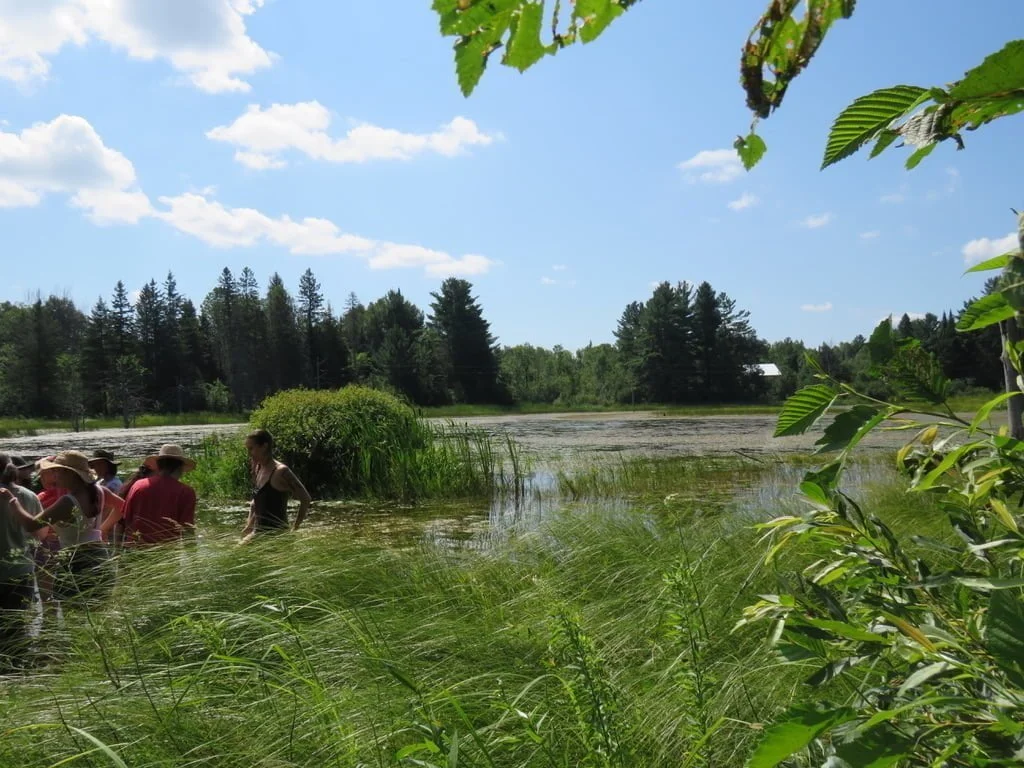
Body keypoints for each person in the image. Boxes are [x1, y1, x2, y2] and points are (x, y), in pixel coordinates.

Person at [35, 452, 111, 602]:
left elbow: (31, 524)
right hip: (100, 556)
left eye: (57, 470)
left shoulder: (67, 501)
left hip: (75, 562)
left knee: (73, 615)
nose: (54, 474)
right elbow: (120, 506)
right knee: (100, 612)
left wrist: (14, 504)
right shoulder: (99, 490)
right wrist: (102, 529)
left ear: (70, 474)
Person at [0, 454, 45, 669]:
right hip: (20, 569)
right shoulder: (28, 496)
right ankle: (17, 670)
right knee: (17, 625)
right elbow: (42, 534)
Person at [106, 445, 196, 546]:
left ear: (158, 465)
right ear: (180, 467)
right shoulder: (186, 492)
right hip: (167, 553)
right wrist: (193, 557)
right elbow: (188, 530)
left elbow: (123, 522)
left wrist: (117, 550)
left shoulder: (138, 485)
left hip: (133, 549)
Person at [242, 429, 312, 543]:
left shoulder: (281, 471)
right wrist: (249, 524)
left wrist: (295, 528)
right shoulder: (258, 468)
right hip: (257, 534)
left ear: (264, 446)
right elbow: (256, 502)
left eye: (251, 448)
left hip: (277, 536)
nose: (249, 453)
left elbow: (306, 498)